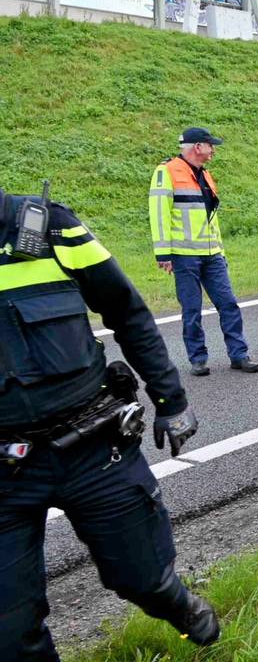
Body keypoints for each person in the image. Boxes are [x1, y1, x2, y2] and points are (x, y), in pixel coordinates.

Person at [0, 186, 218, 659]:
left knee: (142, 578)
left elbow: (127, 311)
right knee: (9, 633)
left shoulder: (47, 226)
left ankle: (174, 602)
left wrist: (170, 398)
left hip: (95, 448)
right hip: (4, 475)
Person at [149, 127, 258, 376]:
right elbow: (158, 214)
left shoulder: (206, 175)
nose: (213, 151)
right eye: (211, 146)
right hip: (184, 254)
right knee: (192, 309)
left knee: (228, 303)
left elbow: (210, 218)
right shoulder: (166, 172)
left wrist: (220, 249)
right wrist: (163, 253)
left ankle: (239, 354)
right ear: (198, 147)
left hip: (212, 255)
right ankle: (197, 358)